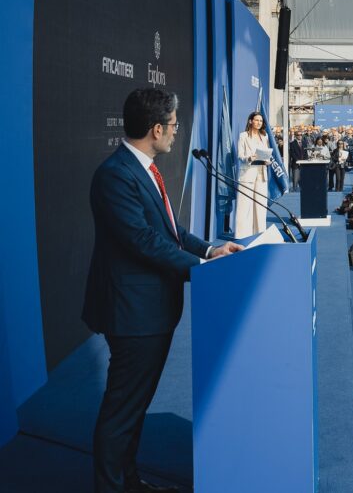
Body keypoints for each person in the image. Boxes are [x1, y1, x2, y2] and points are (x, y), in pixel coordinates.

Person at [83, 88, 243, 493]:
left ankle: (128, 481)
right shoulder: (116, 175)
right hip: (133, 313)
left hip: (152, 311)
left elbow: (169, 232)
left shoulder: (145, 168)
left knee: (134, 408)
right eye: (173, 125)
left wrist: (210, 248)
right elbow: (143, 241)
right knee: (122, 411)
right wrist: (204, 269)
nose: (177, 132)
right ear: (156, 129)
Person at [235, 111, 272, 239]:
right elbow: (240, 156)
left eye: (261, 121)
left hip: (261, 174)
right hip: (247, 173)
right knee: (244, 205)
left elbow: (267, 153)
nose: (258, 123)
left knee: (260, 206)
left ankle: (260, 233)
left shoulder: (265, 136)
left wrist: (268, 160)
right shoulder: (243, 136)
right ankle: (241, 236)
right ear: (250, 121)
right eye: (256, 120)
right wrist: (249, 158)